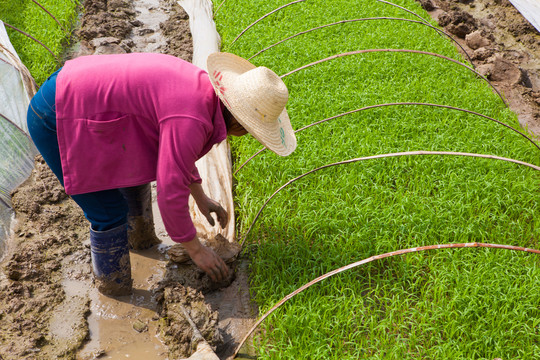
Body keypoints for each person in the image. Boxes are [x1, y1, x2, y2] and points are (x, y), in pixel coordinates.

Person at [26, 52, 297, 296]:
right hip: (57, 114)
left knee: (134, 176)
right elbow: (169, 191)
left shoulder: (203, 96)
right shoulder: (192, 118)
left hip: (83, 97)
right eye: (251, 130)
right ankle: (115, 292)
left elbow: (176, 154)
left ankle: (141, 242)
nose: (248, 135)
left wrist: (200, 197)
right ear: (238, 120)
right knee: (107, 212)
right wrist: (196, 250)